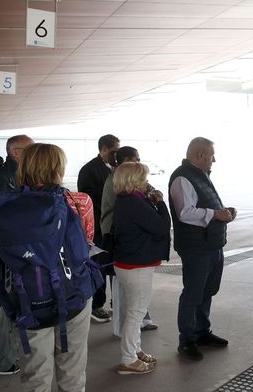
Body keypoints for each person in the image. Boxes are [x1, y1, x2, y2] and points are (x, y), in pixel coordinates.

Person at [13, 143, 95, 392]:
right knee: (72, 371)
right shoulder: (79, 201)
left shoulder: (7, 207)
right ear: (58, 168)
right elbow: (88, 242)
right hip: (74, 294)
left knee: (35, 374)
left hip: (29, 299)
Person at [169, 137, 236, 361]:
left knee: (207, 291)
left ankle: (202, 332)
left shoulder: (201, 176)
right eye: (211, 155)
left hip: (212, 245)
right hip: (196, 248)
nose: (214, 159)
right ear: (200, 155)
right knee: (193, 293)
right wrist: (215, 214)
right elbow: (185, 213)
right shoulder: (182, 178)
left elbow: (204, 207)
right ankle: (187, 339)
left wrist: (223, 212)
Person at [0, 134, 34, 376]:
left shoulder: (13, 176)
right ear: (15, 152)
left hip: (4, 253)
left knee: (3, 299)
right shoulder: (2, 179)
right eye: (30, 149)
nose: (34, 153)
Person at [112, 162, 170, 374]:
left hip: (128, 263)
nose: (147, 182)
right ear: (134, 181)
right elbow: (161, 227)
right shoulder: (134, 203)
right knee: (136, 313)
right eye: (144, 178)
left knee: (133, 311)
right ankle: (128, 359)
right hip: (136, 265)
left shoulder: (128, 200)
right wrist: (161, 203)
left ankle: (135, 349)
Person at [101, 146, 157, 336]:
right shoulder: (118, 182)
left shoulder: (125, 183)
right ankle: (122, 330)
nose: (139, 162)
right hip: (120, 242)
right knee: (122, 291)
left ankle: (138, 324)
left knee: (133, 294)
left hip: (126, 241)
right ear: (126, 160)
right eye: (137, 159)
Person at [78, 134, 120, 323]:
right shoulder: (89, 170)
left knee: (112, 265)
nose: (115, 155)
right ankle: (96, 305)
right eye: (113, 151)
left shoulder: (114, 168)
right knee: (99, 266)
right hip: (97, 227)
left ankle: (115, 302)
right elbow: (87, 199)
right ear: (103, 149)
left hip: (111, 226)